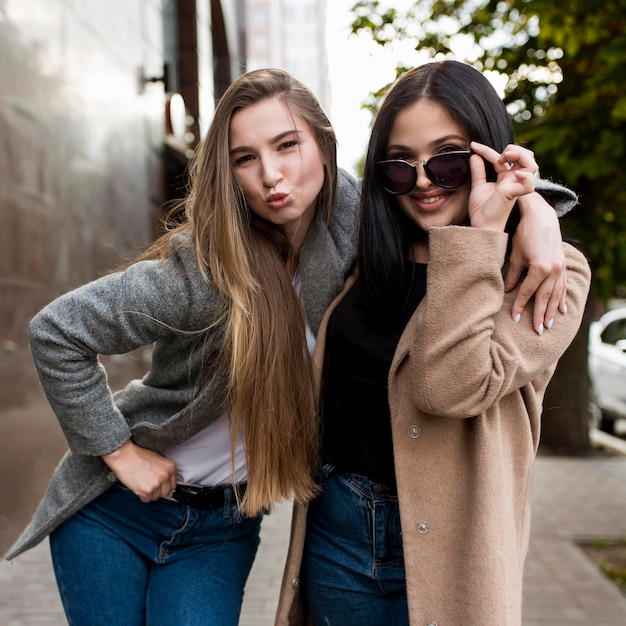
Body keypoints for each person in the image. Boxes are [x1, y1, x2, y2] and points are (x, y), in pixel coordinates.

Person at [5, 68, 573, 625]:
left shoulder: (358, 223)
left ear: (324, 148)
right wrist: (119, 452)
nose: (272, 176)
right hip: (117, 509)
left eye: (287, 146)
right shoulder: (202, 271)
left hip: (227, 520)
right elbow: (57, 332)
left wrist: (535, 211)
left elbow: (438, 193)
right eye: (244, 158)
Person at [275, 61, 591, 626]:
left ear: (489, 153)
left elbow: (450, 387)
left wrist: (496, 227)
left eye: (448, 159)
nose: (423, 180)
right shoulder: (363, 246)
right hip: (338, 531)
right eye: (400, 166)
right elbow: (284, 181)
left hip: (457, 545)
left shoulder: (550, 271)